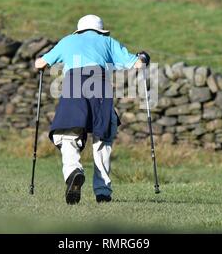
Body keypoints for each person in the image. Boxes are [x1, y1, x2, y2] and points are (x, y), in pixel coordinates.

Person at [35, 14, 150, 205]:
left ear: (79, 29)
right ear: (100, 30)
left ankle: (74, 171)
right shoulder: (108, 41)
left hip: (73, 87)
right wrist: (143, 56)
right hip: (100, 87)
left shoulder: (68, 41)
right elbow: (137, 64)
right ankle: (103, 192)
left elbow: (40, 64)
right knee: (103, 136)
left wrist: (42, 58)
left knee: (68, 134)